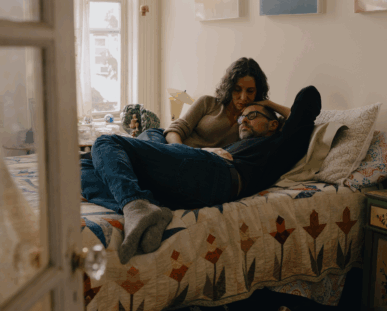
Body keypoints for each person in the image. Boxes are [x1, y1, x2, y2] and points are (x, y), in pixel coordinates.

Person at [81, 86, 321, 264]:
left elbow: (309, 97)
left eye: (252, 116)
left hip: (219, 174)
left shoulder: (281, 143)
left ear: (274, 125)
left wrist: (266, 103)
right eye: (241, 117)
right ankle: (145, 205)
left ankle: (134, 204)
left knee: (106, 142)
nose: (243, 121)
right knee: (83, 163)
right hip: (199, 175)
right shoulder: (236, 145)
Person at [137, 57, 292, 147]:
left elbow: (296, 117)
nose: (243, 97)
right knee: (126, 147)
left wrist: (269, 104)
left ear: (258, 91)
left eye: (250, 91)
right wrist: (180, 152)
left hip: (200, 160)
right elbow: (174, 130)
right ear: (229, 88)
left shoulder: (255, 119)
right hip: (168, 142)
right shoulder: (208, 103)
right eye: (237, 90)